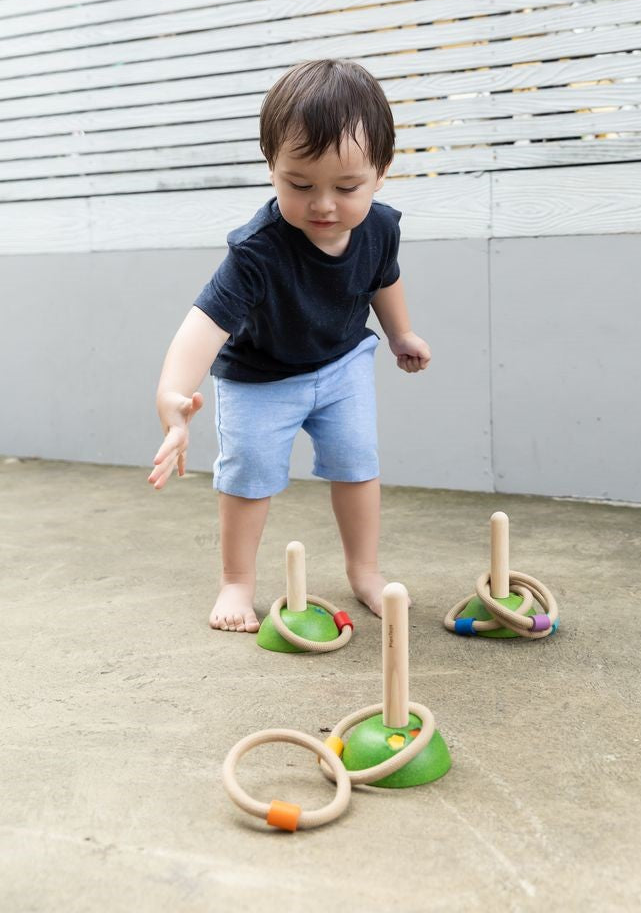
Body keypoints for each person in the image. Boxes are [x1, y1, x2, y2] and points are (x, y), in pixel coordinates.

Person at [148, 58, 431, 632]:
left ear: (381, 172)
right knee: (249, 473)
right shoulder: (257, 251)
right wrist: (173, 398)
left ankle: (365, 570)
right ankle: (237, 580)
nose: (323, 205)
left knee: (357, 465)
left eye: (346, 187)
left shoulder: (379, 226)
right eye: (299, 185)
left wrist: (400, 333)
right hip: (260, 378)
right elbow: (202, 324)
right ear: (272, 167)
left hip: (342, 362)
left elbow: (383, 276)